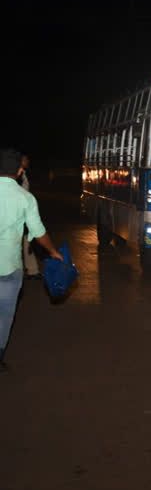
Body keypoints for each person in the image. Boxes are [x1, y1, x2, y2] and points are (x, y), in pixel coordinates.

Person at [0, 149, 63, 370]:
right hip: (9, 267)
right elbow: (38, 232)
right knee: (5, 313)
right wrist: (53, 251)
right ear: (18, 171)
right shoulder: (25, 197)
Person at [18, 155, 41, 280]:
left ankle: (32, 270)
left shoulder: (23, 174)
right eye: (25, 159)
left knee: (28, 242)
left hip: (23, 214)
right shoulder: (16, 176)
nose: (28, 161)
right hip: (19, 214)